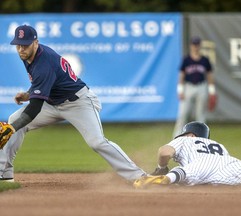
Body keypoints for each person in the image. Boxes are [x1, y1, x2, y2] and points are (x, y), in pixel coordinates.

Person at [0, 25, 146, 182]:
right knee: (15, 118)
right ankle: (4, 172)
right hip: (52, 104)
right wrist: (29, 95)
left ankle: (138, 176)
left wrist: (13, 128)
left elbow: (35, 107)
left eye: (26, 44)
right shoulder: (29, 55)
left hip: (78, 103)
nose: (21, 49)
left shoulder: (44, 62)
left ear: (36, 42)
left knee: (97, 142)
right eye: (18, 45)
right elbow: (45, 83)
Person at [133, 121, 241, 188]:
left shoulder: (186, 141)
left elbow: (163, 151)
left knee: (187, 173)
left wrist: (161, 167)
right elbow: (216, 165)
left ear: (191, 135)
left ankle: (163, 179)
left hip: (200, 164)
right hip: (228, 163)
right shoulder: (218, 145)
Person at [173, 36, 217, 138]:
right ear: (191, 46)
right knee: (183, 114)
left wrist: (212, 91)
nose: (195, 47)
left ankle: (202, 139)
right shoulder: (186, 60)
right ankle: (176, 138)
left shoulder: (205, 60)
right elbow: (181, 75)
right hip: (188, 87)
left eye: (197, 45)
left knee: (200, 116)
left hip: (201, 87)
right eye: (194, 45)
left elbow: (209, 76)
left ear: (200, 46)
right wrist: (180, 90)